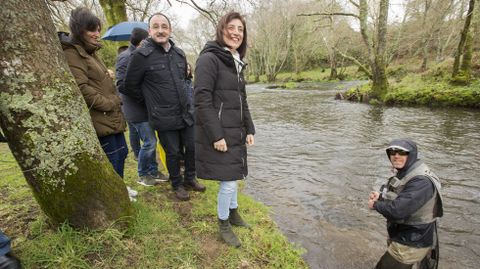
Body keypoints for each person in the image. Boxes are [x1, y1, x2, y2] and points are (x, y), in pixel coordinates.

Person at [123, 13, 205, 201]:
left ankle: (190, 179)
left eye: (164, 26)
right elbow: (129, 86)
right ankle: (176, 184)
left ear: (170, 29)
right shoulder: (140, 56)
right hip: (163, 116)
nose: (161, 30)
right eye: (156, 26)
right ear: (150, 31)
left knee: (192, 147)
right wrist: (151, 103)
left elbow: (185, 79)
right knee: (173, 152)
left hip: (186, 113)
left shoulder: (179, 53)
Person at [194, 12, 255, 247]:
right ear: (221, 30)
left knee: (235, 175)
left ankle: (234, 212)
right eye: (231, 27)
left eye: (240, 29)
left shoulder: (235, 60)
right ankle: (223, 224)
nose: (236, 33)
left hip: (236, 131)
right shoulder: (209, 59)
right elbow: (201, 99)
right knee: (228, 181)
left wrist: (249, 128)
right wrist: (216, 135)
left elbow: (242, 99)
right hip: (220, 132)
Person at [62, 8, 133, 199]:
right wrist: (110, 103)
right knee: (113, 157)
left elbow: (96, 80)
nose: (97, 34)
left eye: (98, 29)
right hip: (100, 116)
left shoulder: (91, 52)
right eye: (91, 30)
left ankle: (120, 188)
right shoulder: (72, 53)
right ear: (79, 30)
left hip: (111, 116)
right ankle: (116, 197)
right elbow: (81, 87)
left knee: (123, 152)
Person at [368, 139, 443, 269]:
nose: (396, 155)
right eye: (392, 152)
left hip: (412, 241)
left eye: (402, 152)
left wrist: (375, 205)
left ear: (412, 155)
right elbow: (402, 199)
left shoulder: (421, 181)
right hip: (405, 235)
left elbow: (397, 211)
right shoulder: (407, 172)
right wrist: (380, 198)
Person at [115, 27, 167, 186]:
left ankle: (153, 171)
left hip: (146, 108)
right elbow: (122, 85)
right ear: (142, 42)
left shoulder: (143, 55)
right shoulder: (126, 57)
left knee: (152, 141)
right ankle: (142, 174)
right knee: (149, 142)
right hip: (135, 109)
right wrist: (145, 98)